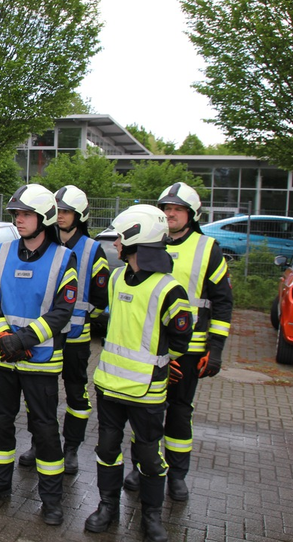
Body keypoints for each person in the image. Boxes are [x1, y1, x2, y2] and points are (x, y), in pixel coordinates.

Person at [0, 184, 76, 526]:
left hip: (40, 361)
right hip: (3, 358)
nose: (19, 219)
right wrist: (3, 336)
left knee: (44, 430)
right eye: (16, 214)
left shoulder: (63, 258)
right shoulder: (1, 252)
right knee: (0, 423)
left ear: (44, 217)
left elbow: (63, 311)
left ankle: (51, 499)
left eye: (26, 214)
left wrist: (24, 339)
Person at [84, 204, 192, 542]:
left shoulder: (168, 289)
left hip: (147, 391)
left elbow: (181, 340)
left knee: (148, 455)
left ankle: (152, 517)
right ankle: (107, 507)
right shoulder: (116, 278)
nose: (115, 242)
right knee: (107, 449)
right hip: (109, 386)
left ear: (137, 238)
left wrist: (158, 362)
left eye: (119, 236)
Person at [123, 183, 232, 501]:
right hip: (149, 348)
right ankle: (142, 467)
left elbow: (222, 301)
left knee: (180, 413)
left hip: (188, 351)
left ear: (192, 214)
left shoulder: (207, 247)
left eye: (177, 209)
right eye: (166, 208)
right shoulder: (146, 243)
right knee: (144, 412)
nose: (170, 213)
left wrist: (216, 348)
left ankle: (177, 474)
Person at [20, 185, 109, 473]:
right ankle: (39, 444)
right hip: (43, 337)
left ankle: (70, 448)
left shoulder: (93, 250)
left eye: (67, 212)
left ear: (80, 215)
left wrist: (81, 315)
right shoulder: (43, 244)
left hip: (75, 338)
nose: (60, 216)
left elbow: (100, 297)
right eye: (58, 211)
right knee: (39, 395)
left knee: (76, 395)